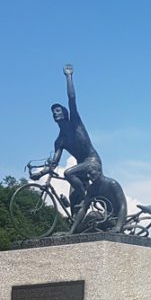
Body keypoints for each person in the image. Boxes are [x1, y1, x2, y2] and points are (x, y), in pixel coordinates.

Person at [48, 64, 101, 214]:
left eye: (57, 111)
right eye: (53, 113)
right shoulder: (60, 141)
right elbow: (54, 164)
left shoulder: (75, 123)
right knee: (73, 199)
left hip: (92, 162)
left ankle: (87, 198)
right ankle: (78, 226)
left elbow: (72, 98)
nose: (55, 114)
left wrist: (68, 77)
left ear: (65, 113)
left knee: (68, 173)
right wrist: (40, 173)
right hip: (80, 168)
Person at [71, 160, 128, 234]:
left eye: (91, 173)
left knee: (92, 215)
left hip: (117, 218)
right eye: (87, 174)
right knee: (86, 226)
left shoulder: (112, 184)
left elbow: (123, 206)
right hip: (105, 217)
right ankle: (76, 232)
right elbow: (84, 208)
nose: (89, 176)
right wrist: (72, 230)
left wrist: (118, 227)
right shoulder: (91, 189)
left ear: (99, 171)